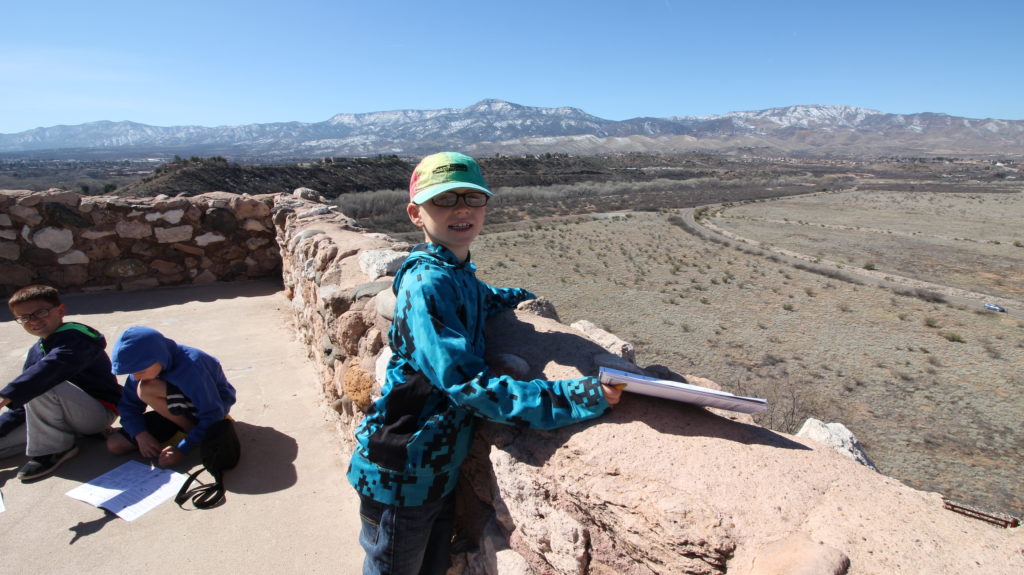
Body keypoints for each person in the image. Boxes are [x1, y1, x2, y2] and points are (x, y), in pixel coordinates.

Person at [347, 152, 623, 575]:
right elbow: (471, 387)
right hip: (401, 471)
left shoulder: (453, 270)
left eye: (473, 198)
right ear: (415, 214)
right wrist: (580, 394)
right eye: (444, 200)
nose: (461, 209)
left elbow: (477, 297)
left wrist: (516, 296)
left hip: (429, 468)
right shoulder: (427, 283)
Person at [0, 285, 122, 481]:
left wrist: (6, 395)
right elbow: (24, 405)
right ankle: (62, 437)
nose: (33, 320)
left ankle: (54, 449)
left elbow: (53, 368)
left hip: (97, 414)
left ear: (61, 310)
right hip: (63, 417)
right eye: (24, 318)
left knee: (41, 383)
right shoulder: (36, 351)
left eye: (40, 312)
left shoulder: (78, 337)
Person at [106, 326, 236, 468]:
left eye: (140, 371)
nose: (136, 377)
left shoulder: (192, 366)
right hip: (175, 409)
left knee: (146, 389)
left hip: (210, 408)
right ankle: (189, 432)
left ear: (158, 358)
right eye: (132, 373)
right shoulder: (141, 369)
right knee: (115, 445)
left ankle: (193, 432)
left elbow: (213, 413)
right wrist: (140, 434)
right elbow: (128, 407)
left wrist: (182, 449)